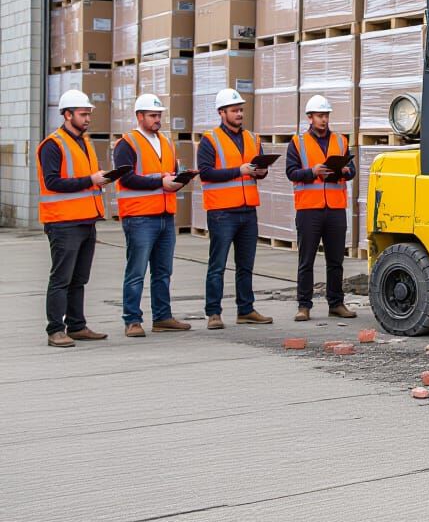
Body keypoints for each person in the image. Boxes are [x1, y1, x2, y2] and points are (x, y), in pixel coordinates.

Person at [113, 93, 193, 338]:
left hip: (165, 215)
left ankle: (162, 317)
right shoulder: (126, 143)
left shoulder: (166, 142)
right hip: (139, 217)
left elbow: (168, 172)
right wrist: (161, 181)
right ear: (139, 116)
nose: (158, 119)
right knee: (136, 271)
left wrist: (179, 179)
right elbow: (125, 177)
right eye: (152, 115)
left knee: (163, 271)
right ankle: (132, 320)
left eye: (159, 115)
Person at [37, 89, 110, 347]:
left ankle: (77, 326)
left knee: (79, 278)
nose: (88, 118)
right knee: (61, 278)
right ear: (67, 115)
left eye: (89, 114)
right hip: (63, 222)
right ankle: (55, 329)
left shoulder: (85, 142)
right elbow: (53, 182)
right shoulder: (52, 145)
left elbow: (83, 178)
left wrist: (98, 181)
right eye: (83, 114)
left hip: (86, 220)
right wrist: (90, 180)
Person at [197, 88, 273, 329]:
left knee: (246, 265)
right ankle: (213, 313)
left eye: (241, 109)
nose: (239, 113)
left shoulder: (252, 138)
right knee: (217, 264)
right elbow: (206, 173)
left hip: (247, 210)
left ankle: (246, 309)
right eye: (234, 110)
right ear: (222, 113)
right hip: (222, 212)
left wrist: (261, 171)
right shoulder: (210, 140)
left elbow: (258, 169)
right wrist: (238, 171)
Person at [285, 95, 358, 322]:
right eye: (320, 116)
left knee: (335, 260)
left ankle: (336, 303)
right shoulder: (297, 143)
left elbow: (352, 169)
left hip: (335, 208)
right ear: (310, 118)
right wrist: (312, 172)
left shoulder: (341, 140)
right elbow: (291, 173)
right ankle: (304, 305)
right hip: (309, 209)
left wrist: (346, 171)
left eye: (326, 115)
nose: (324, 120)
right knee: (306, 260)